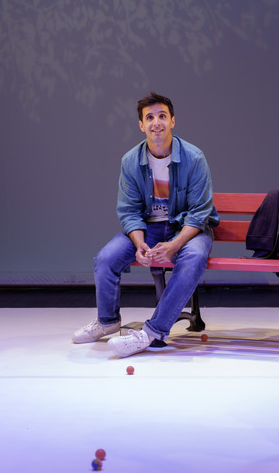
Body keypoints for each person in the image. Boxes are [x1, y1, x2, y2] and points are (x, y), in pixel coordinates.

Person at [72, 92, 219, 358]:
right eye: (149, 118)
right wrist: (139, 243)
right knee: (106, 258)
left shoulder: (194, 158)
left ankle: (153, 332)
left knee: (194, 257)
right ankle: (107, 322)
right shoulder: (130, 161)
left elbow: (199, 213)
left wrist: (175, 245)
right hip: (148, 229)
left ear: (172, 121)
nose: (156, 122)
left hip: (187, 230)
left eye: (162, 116)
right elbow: (129, 211)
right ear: (141, 125)